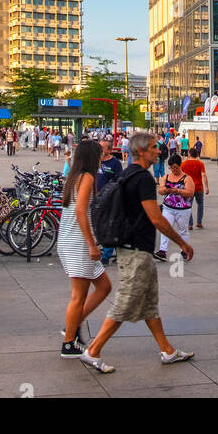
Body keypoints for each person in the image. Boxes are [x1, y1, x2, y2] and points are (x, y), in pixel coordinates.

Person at [81, 132, 195, 373]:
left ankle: (167, 350)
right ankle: (93, 350)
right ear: (141, 151)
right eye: (154, 147)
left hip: (131, 247)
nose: (158, 151)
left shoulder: (126, 173)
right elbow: (157, 218)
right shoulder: (142, 178)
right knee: (126, 302)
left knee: (149, 303)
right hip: (135, 252)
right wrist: (181, 243)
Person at [57, 138, 112, 358]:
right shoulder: (87, 177)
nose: (102, 158)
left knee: (104, 287)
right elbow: (81, 212)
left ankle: (73, 325)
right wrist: (91, 243)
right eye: (99, 154)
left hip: (68, 239)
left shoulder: (74, 176)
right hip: (77, 242)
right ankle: (68, 342)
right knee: (78, 296)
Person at [155, 153, 194, 260]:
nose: (173, 170)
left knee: (183, 230)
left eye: (175, 167)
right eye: (171, 168)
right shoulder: (166, 177)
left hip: (183, 209)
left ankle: (184, 250)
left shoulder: (187, 178)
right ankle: (162, 251)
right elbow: (160, 190)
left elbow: (190, 193)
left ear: (180, 166)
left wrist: (177, 190)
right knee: (165, 228)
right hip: (168, 208)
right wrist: (166, 190)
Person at [96, 138, 124, 266]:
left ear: (109, 149)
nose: (100, 150)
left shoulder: (115, 163)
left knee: (109, 227)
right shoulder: (96, 161)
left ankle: (106, 255)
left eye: (102, 148)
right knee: (100, 226)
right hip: (96, 199)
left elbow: (120, 181)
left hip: (109, 199)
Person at [181, 147, 208, 230]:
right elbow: (203, 175)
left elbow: (181, 176)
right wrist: (206, 187)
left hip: (188, 188)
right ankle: (199, 222)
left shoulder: (183, 164)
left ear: (189, 154)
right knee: (200, 204)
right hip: (199, 187)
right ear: (197, 154)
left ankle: (190, 224)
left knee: (188, 205)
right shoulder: (200, 164)